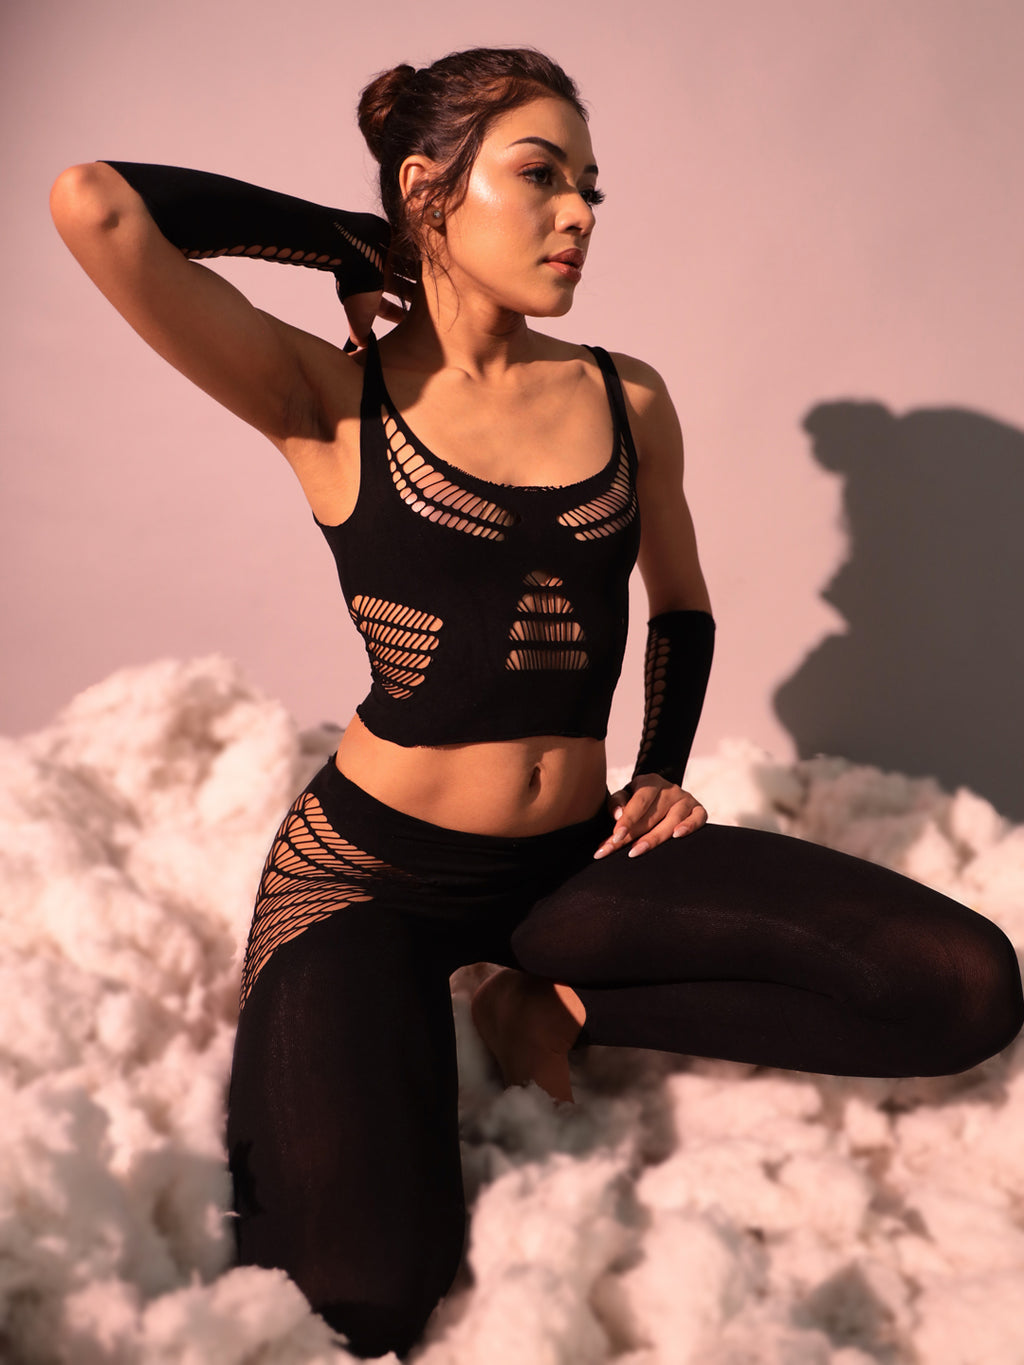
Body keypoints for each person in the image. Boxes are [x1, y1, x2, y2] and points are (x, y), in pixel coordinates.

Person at [50, 45, 1022, 1362]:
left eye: (592, 188)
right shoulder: (330, 399)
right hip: (369, 882)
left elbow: (681, 605)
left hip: (571, 863)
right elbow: (96, 205)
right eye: (541, 176)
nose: (579, 214)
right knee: (364, 1297)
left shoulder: (626, 396)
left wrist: (662, 767)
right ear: (430, 189)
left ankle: (546, 1001)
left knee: (967, 989)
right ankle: (409, 1008)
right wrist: (357, 239)